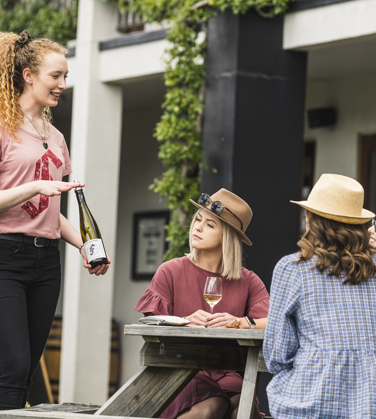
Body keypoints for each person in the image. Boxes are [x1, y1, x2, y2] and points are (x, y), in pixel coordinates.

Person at [0, 30, 110, 412]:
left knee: (28, 372)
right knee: (12, 369)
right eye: (55, 76)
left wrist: (86, 247)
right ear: (28, 75)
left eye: (66, 77)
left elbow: (52, 211)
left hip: (46, 261)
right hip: (2, 257)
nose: (63, 84)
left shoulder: (57, 138)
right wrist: (34, 186)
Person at [135, 189, 269, 419]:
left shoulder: (247, 280)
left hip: (228, 372)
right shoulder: (170, 271)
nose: (197, 227)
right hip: (181, 371)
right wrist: (183, 322)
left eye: (210, 225)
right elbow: (150, 321)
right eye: (198, 219)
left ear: (227, 236)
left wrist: (241, 322)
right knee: (213, 407)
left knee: (244, 410)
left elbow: (274, 323)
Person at [263, 173, 376, 419]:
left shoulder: (293, 268)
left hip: (311, 397)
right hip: (370, 402)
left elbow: (277, 354)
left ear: (311, 220)